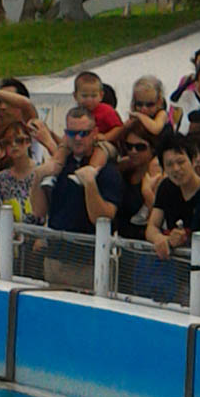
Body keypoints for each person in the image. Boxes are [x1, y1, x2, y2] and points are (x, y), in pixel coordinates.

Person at [29, 106, 122, 288]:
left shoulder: (108, 170)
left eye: (84, 133)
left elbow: (103, 218)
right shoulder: (60, 164)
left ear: (95, 133)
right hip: (56, 259)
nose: (78, 138)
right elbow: (39, 211)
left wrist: (90, 184)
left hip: (90, 264)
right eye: (72, 133)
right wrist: (38, 176)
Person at [146, 134, 200, 260]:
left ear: (193, 160)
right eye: (169, 164)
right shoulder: (166, 187)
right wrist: (160, 239)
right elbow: (152, 226)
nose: (176, 169)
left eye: (181, 162)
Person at [0, 119, 42, 224]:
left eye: (19, 140)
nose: (14, 145)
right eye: (7, 142)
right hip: (9, 237)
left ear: (28, 142)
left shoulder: (41, 173)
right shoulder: (1, 179)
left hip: (40, 237)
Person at [114, 122, 161, 240]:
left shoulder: (158, 177)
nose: (133, 151)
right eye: (129, 146)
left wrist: (147, 193)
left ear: (153, 148)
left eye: (140, 147)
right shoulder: (123, 170)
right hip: (122, 242)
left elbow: (159, 218)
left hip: (146, 244)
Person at [73, 71, 124, 146]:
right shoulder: (76, 113)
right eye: (84, 96)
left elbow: (119, 129)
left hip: (106, 144)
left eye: (93, 96)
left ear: (101, 96)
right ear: (75, 96)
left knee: (100, 149)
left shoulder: (107, 111)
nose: (89, 100)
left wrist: (106, 137)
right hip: (84, 145)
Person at [127, 75, 171, 144]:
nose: (144, 109)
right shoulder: (137, 116)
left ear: (159, 102)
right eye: (139, 104)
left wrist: (140, 116)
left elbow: (156, 129)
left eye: (150, 105)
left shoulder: (161, 114)